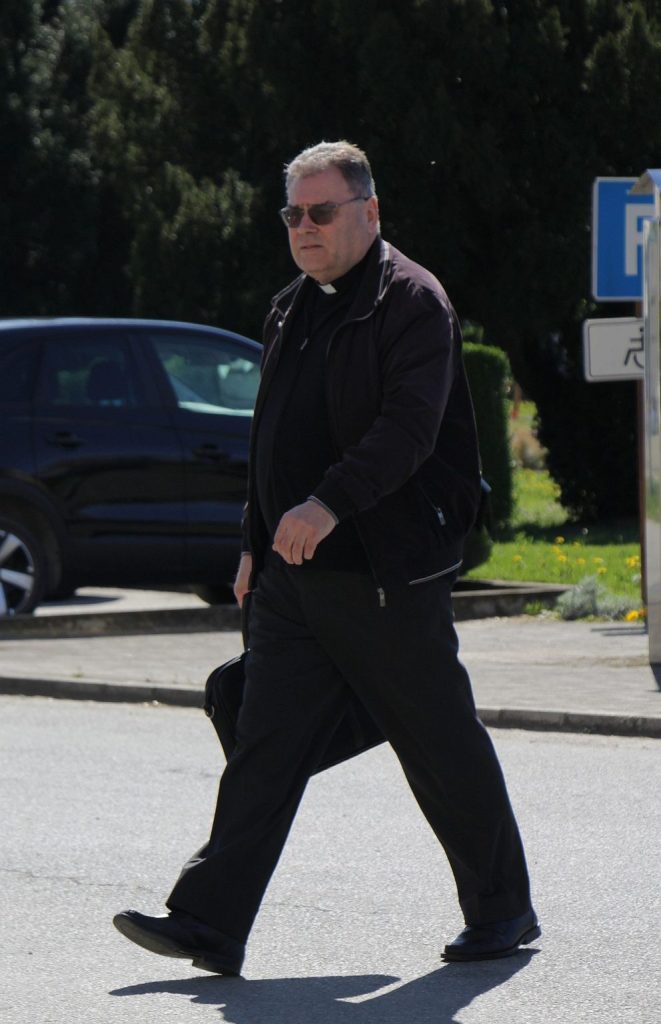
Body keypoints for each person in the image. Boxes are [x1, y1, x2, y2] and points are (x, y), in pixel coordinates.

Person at [114, 140, 540, 974]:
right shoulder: (288, 306)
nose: (303, 228)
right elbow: (271, 437)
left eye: (320, 211)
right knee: (263, 743)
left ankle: (502, 910)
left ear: (368, 212)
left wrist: (327, 503)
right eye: (292, 214)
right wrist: (253, 542)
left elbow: (407, 432)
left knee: (438, 741)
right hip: (294, 575)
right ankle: (208, 922)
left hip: (385, 569)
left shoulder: (411, 301)